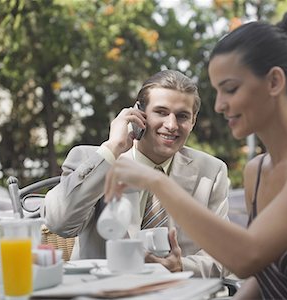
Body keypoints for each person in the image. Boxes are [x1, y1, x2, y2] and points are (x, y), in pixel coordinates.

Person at [104, 11, 287, 299]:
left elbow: (246, 258)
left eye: (230, 89)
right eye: (216, 91)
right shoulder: (257, 170)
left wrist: (157, 183)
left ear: (274, 82)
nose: (218, 106)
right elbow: (265, 278)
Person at [44, 70, 230, 278]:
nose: (171, 125)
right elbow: (58, 223)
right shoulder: (93, 159)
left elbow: (225, 255)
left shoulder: (212, 172)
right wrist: (112, 148)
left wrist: (182, 267)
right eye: (161, 112)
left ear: (193, 121)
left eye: (182, 116)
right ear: (138, 113)